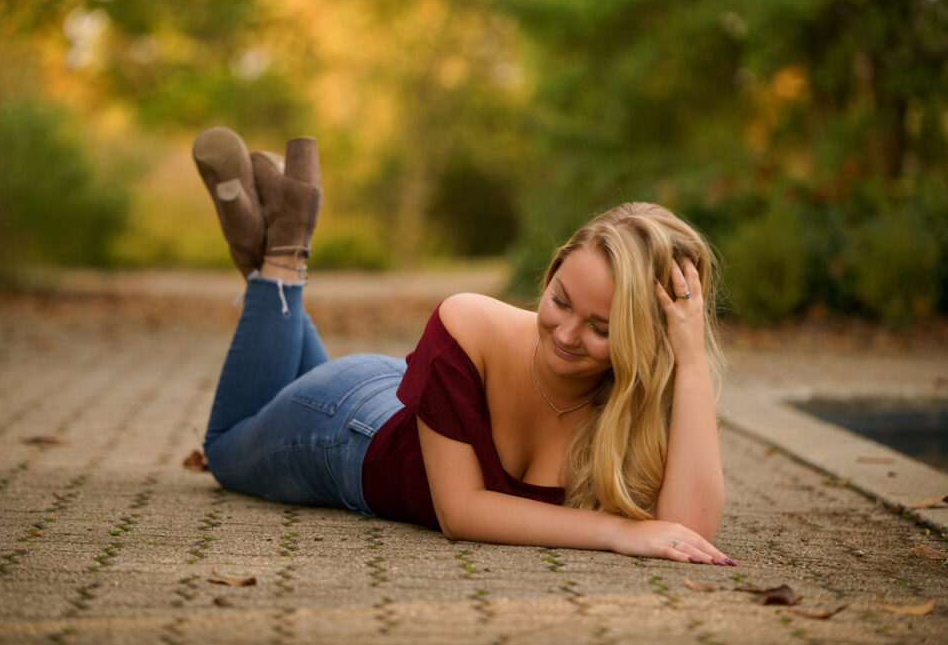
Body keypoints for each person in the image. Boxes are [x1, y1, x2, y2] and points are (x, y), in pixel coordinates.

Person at [193, 126, 735, 566]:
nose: (567, 336)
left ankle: (267, 258)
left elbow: (686, 529)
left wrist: (688, 360)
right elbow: (462, 513)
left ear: (646, 340)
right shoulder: (467, 321)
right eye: (560, 301)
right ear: (549, 275)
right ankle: (286, 254)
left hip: (416, 403)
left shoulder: (641, 396)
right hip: (346, 429)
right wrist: (617, 532)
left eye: (602, 328)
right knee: (222, 449)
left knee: (272, 382)